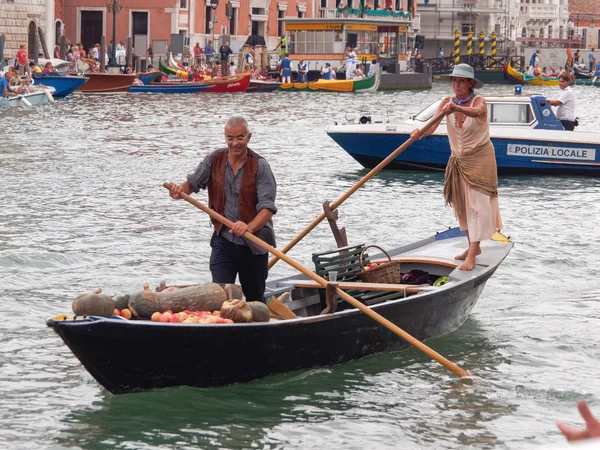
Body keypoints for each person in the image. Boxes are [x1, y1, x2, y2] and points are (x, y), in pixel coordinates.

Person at [167, 117, 277, 302]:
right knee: (219, 296)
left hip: (254, 244)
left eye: (240, 138)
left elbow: (267, 208)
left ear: (248, 137)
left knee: (254, 300)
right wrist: (179, 191)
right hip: (223, 240)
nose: (235, 143)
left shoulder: (260, 166)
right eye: (230, 138)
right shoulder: (214, 159)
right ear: (225, 138)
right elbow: (193, 184)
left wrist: (248, 227)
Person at [409, 63, 502, 271]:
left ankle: (472, 254)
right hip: (458, 161)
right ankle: (473, 247)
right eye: (454, 80)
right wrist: (418, 133)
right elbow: (431, 127)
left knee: (477, 205)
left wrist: (457, 108)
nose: (456, 84)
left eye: (461, 81)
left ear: (470, 83)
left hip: (480, 159)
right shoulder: (446, 103)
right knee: (461, 206)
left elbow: (477, 112)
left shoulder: (480, 101)